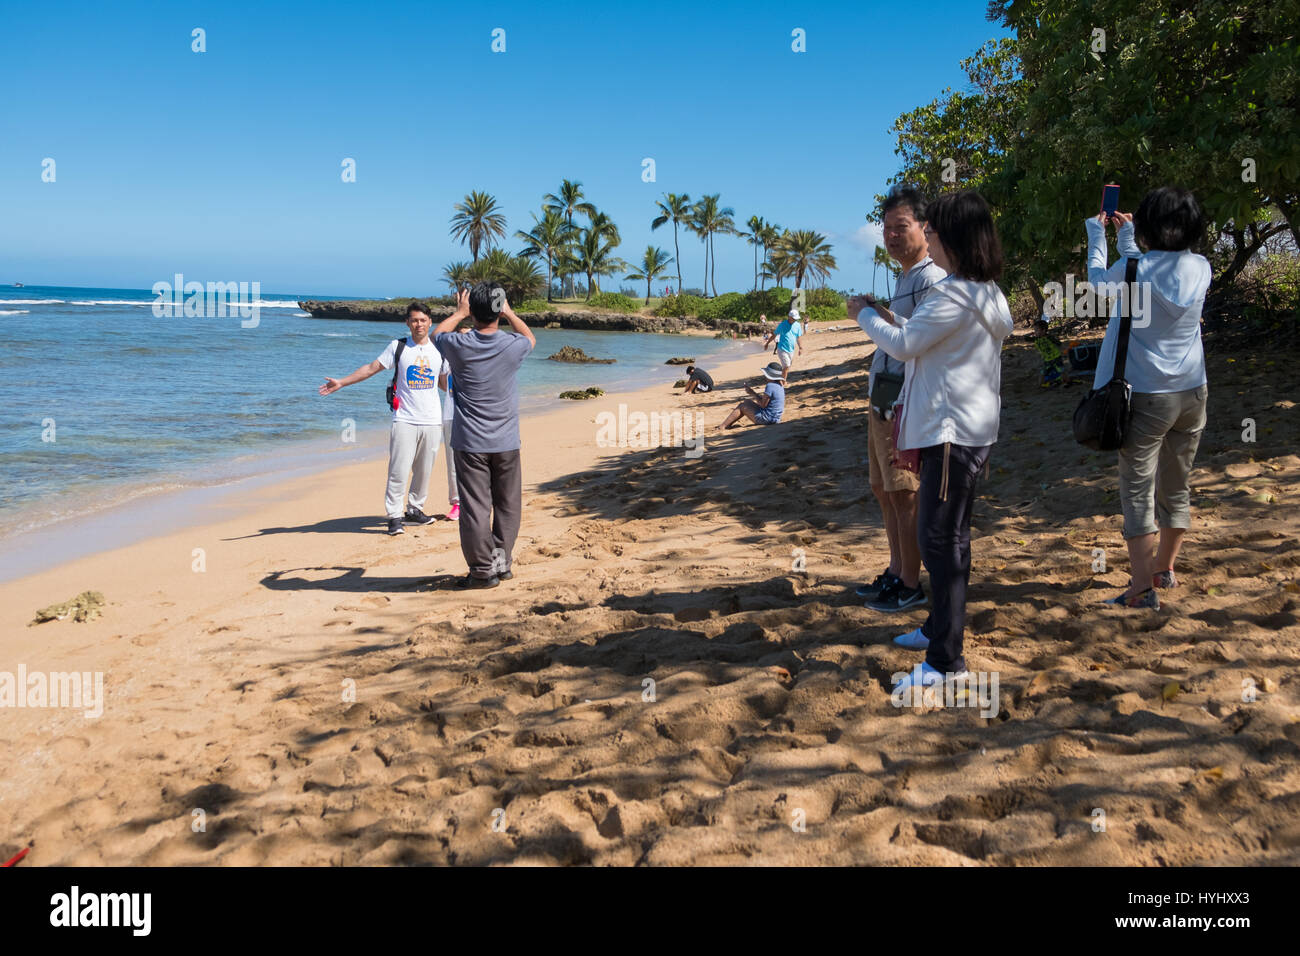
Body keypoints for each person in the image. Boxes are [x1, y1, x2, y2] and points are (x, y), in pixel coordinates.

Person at [851, 190, 1013, 696]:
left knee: (940, 543)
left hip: (948, 434)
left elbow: (903, 345)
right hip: (973, 431)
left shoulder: (951, 293)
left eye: (936, 230)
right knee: (952, 539)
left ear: (954, 238)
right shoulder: (988, 293)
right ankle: (937, 632)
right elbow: (927, 339)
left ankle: (946, 662)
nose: (931, 240)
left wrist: (863, 313)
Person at [1088, 187, 1211, 609]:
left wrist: (1095, 238)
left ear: (1148, 225)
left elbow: (1097, 289)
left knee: (1138, 491)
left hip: (1145, 395)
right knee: (1177, 486)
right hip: (1193, 391)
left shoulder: (1135, 269)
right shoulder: (1202, 267)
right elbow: (1145, 271)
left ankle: (1141, 590)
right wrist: (1128, 243)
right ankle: (1164, 569)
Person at [854, 184, 947, 613]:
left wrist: (867, 317)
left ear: (924, 228)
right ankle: (895, 571)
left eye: (901, 227)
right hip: (884, 398)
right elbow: (908, 327)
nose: (892, 235)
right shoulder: (906, 275)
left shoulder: (932, 277)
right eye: (887, 228)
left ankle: (910, 581)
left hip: (904, 402)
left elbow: (915, 343)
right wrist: (882, 312)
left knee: (905, 494)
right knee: (884, 490)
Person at [433, 282, 536, 588]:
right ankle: (501, 565)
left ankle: (482, 572)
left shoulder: (458, 345)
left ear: (473, 312)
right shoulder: (511, 345)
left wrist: (459, 312)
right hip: (506, 440)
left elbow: (437, 334)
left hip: (470, 442)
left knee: (476, 507)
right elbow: (530, 337)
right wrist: (510, 313)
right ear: (498, 312)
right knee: (507, 505)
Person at [319, 301, 447, 536]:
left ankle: (415, 510)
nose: (418, 324)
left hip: (432, 420)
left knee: (424, 470)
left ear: (430, 322)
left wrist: (472, 396)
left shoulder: (440, 350)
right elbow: (371, 368)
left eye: (423, 320)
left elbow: (444, 383)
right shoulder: (398, 347)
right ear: (407, 322)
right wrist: (342, 382)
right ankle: (395, 516)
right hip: (404, 419)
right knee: (398, 470)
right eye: (414, 320)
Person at [721, 362, 785, 428]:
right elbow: (767, 402)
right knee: (747, 402)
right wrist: (752, 392)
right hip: (775, 418)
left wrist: (752, 393)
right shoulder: (779, 385)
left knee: (742, 406)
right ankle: (728, 424)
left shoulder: (770, 386)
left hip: (767, 419)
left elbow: (762, 405)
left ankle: (723, 426)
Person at [438, 368, 461, 520]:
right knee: (453, 462)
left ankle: (480, 500)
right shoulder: (446, 350)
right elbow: (443, 383)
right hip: (451, 413)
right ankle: (457, 503)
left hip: (477, 413)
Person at [762, 308, 804, 382]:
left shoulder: (797, 325)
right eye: (794, 318)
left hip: (791, 350)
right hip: (782, 349)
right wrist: (767, 343)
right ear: (789, 317)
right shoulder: (782, 325)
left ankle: (778, 377)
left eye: (796, 319)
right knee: (787, 365)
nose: (795, 320)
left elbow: (798, 337)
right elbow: (774, 335)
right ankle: (783, 382)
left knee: (787, 366)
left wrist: (800, 347)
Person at [1033, 315, 1068, 387]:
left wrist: (1065, 350)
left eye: (1036, 330)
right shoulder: (1036, 339)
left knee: (1061, 370)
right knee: (1043, 372)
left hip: (1056, 357)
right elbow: (1027, 339)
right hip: (1047, 359)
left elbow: (1059, 344)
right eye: (1034, 330)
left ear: (1043, 331)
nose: (1035, 332)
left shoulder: (1049, 338)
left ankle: (1067, 381)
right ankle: (1040, 385)